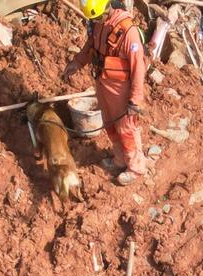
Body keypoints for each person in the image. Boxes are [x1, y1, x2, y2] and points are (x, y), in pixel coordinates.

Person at [63, 0, 151, 186]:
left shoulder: (128, 32)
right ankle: (120, 159)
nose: (98, 21)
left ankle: (136, 167)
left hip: (121, 89)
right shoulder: (98, 25)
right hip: (103, 83)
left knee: (126, 128)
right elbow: (91, 46)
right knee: (109, 123)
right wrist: (77, 62)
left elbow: (138, 68)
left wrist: (135, 100)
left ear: (108, 6)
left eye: (99, 16)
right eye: (94, 18)